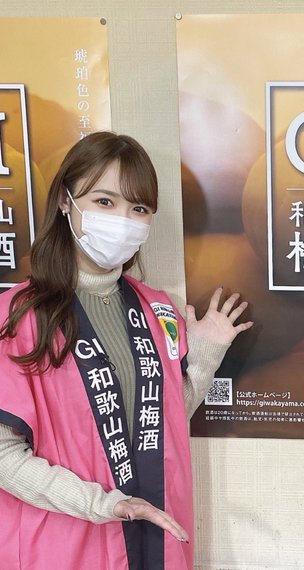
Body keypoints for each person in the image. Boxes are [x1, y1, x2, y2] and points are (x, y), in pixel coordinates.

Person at [0, 132, 253, 569]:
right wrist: (103, 504)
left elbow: (162, 422)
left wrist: (205, 357)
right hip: (62, 544)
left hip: (151, 534)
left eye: (138, 209)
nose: (123, 219)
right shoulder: (18, 316)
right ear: (65, 201)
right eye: (104, 201)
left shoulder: (157, 309)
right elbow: (4, 455)